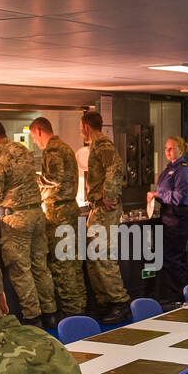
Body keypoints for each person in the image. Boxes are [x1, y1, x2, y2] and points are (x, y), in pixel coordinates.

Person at [0, 118, 58, 329]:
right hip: (37, 214)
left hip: (17, 220)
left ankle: (33, 319)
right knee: (40, 266)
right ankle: (51, 315)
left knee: (21, 269)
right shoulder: (22, 150)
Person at [30, 116, 87, 318]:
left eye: (34, 137)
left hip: (59, 213)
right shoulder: (65, 147)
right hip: (70, 209)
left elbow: (52, 179)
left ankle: (71, 312)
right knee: (73, 263)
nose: (35, 141)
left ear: (38, 130)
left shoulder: (53, 150)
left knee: (63, 265)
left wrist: (30, 179)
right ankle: (79, 307)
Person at [80, 111, 131, 325]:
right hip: (96, 208)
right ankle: (104, 302)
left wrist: (109, 195)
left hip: (104, 209)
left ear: (85, 126)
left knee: (104, 256)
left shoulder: (102, 145)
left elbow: (116, 167)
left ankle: (120, 302)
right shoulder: (96, 145)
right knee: (94, 259)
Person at [148, 136, 188, 307]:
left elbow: (180, 196)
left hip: (178, 217)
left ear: (181, 150)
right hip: (169, 216)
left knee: (173, 258)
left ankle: (176, 297)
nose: (167, 151)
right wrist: (155, 196)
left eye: (171, 148)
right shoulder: (169, 169)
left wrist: (158, 195)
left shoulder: (183, 170)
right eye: (166, 148)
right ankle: (177, 293)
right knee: (175, 257)